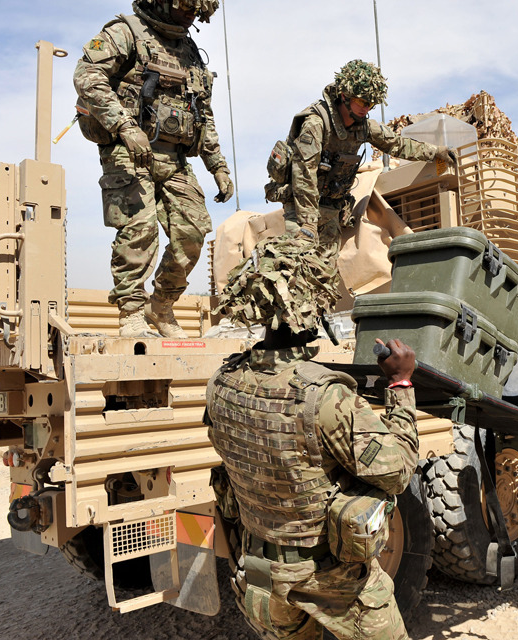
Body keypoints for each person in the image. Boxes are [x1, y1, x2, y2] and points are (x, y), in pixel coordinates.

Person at [206, 235, 419, 639]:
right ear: (314, 306)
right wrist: (401, 383)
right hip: (330, 578)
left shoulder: (222, 382)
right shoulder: (325, 396)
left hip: (260, 574)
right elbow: (398, 472)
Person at [73, 0, 234, 339]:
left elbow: (203, 113)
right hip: (128, 151)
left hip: (174, 159)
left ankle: (160, 305)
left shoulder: (188, 49)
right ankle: (131, 311)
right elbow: (87, 75)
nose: (191, 16)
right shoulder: (125, 32)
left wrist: (217, 165)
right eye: (186, 8)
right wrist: (125, 127)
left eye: (197, 12)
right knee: (139, 230)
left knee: (193, 230)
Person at [264, 59, 456, 292]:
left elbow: (396, 144)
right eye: (362, 102)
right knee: (298, 268)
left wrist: (435, 152)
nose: (366, 109)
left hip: (331, 207)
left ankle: (316, 322)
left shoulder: (363, 126)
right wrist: (307, 225)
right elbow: (304, 177)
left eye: (371, 104)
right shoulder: (316, 124)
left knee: (324, 274)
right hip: (301, 205)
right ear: (344, 96)